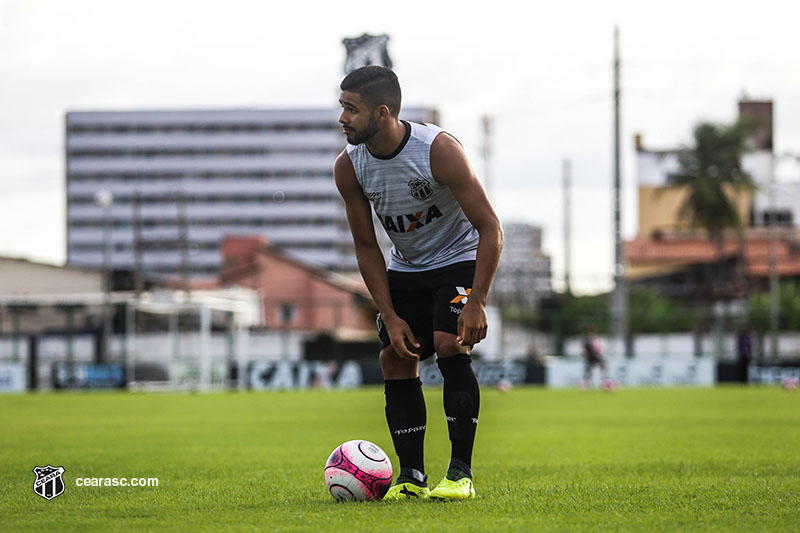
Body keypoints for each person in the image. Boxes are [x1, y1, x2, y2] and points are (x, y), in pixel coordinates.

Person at [334, 66, 503, 500]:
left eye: (351, 109)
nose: (342, 118)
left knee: (449, 344)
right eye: (342, 107)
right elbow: (366, 246)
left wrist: (477, 301)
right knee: (395, 356)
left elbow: (491, 229)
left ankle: (460, 475)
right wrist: (388, 315)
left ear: (382, 112)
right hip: (407, 268)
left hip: (458, 259)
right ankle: (411, 478)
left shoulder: (438, 151)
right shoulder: (349, 167)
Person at [581, 324, 610, 389]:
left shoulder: (589, 339)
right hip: (593, 357)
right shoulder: (590, 340)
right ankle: (604, 382)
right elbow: (592, 349)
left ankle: (604, 382)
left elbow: (585, 350)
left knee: (590, 370)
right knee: (601, 366)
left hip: (592, 357)